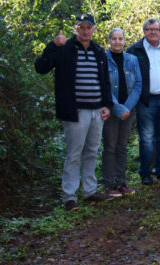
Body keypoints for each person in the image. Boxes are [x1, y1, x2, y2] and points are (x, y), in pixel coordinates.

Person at [35, 13, 113, 210]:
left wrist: (106, 105)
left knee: (92, 152)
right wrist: (53, 45)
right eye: (81, 27)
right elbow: (41, 67)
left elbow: (104, 81)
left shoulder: (98, 50)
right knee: (73, 154)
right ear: (76, 29)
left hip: (97, 110)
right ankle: (70, 197)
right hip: (75, 111)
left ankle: (89, 191)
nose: (85, 31)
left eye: (89, 27)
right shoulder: (64, 48)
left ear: (94, 29)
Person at [127, 18, 160, 185]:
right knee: (146, 138)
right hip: (146, 100)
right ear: (144, 31)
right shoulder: (135, 49)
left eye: (156, 29)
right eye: (149, 29)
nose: (153, 32)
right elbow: (128, 76)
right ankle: (145, 172)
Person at [102, 28, 142, 197]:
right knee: (110, 146)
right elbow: (103, 85)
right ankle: (109, 184)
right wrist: (117, 108)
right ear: (109, 40)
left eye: (120, 38)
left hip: (128, 110)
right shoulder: (103, 59)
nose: (117, 42)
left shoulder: (131, 59)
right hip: (110, 111)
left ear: (125, 41)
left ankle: (121, 183)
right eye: (114, 39)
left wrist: (127, 108)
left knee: (122, 146)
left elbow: (138, 84)